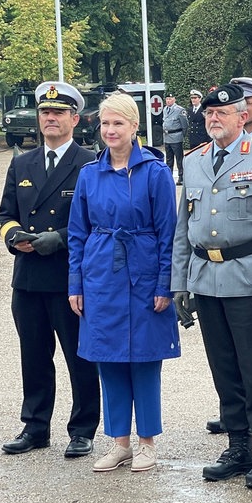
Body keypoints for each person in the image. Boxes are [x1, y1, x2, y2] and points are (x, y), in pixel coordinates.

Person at [171, 84, 252, 489]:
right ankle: (239, 444)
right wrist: (180, 283)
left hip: (249, 277)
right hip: (207, 278)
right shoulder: (194, 162)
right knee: (224, 366)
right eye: (209, 113)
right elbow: (182, 229)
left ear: (243, 117)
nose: (213, 119)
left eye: (222, 113)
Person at [67, 91, 179, 473]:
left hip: (144, 272)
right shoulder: (89, 174)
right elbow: (77, 233)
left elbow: (169, 232)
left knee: (144, 360)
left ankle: (147, 442)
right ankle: (119, 442)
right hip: (101, 275)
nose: (111, 130)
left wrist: (164, 283)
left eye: (119, 123)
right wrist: (75, 283)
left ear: (135, 127)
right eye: (105, 123)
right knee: (109, 359)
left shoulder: (155, 172)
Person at [0, 82, 101, 461]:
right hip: (27, 276)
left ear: (75, 119)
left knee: (79, 356)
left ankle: (83, 429)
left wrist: (58, 237)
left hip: (69, 275)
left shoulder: (90, 162)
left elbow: (96, 219)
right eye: (45, 113)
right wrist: (14, 237)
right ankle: (35, 426)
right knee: (34, 355)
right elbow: (4, 214)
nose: (50, 119)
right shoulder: (22, 162)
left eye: (58, 113)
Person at [161, 93, 189, 183]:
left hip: (176, 137)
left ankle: (181, 177)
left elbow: (185, 125)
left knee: (179, 159)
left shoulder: (179, 110)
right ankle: (169, 177)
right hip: (167, 137)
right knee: (169, 159)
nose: (168, 101)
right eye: (167, 99)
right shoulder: (165, 109)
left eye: (170, 99)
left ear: (174, 99)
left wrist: (181, 135)